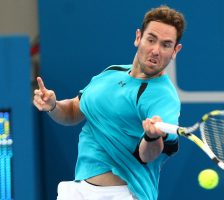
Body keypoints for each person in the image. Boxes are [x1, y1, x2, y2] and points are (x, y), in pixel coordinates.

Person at [33, 5, 185, 200]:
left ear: (175, 50)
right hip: (79, 190)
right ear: (138, 37)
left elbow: (148, 155)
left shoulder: (164, 97)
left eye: (165, 45)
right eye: (151, 39)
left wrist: (152, 137)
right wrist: (53, 106)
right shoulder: (111, 73)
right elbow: (72, 112)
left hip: (123, 194)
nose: (156, 50)